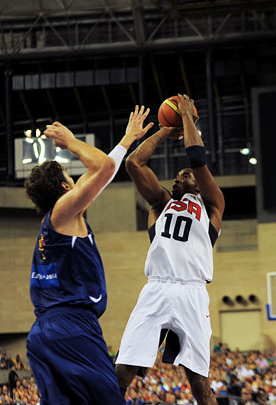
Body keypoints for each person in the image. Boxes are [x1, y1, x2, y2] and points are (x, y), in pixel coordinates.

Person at [24, 107, 153, 405]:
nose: (79, 180)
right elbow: (103, 168)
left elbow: (102, 175)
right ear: (65, 188)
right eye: (71, 177)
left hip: (48, 332)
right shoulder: (62, 212)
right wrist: (70, 142)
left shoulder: (61, 218)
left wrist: (127, 139)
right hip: (70, 329)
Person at [115, 94, 225, 405]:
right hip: (156, 289)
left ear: (199, 185)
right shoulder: (161, 204)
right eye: (176, 176)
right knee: (121, 373)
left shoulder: (213, 206)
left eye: (184, 176)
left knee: (200, 383)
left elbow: (197, 159)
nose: (178, 178)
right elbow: (133, 163)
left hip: (192, 291)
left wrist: (186, 116)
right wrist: (165, 129)